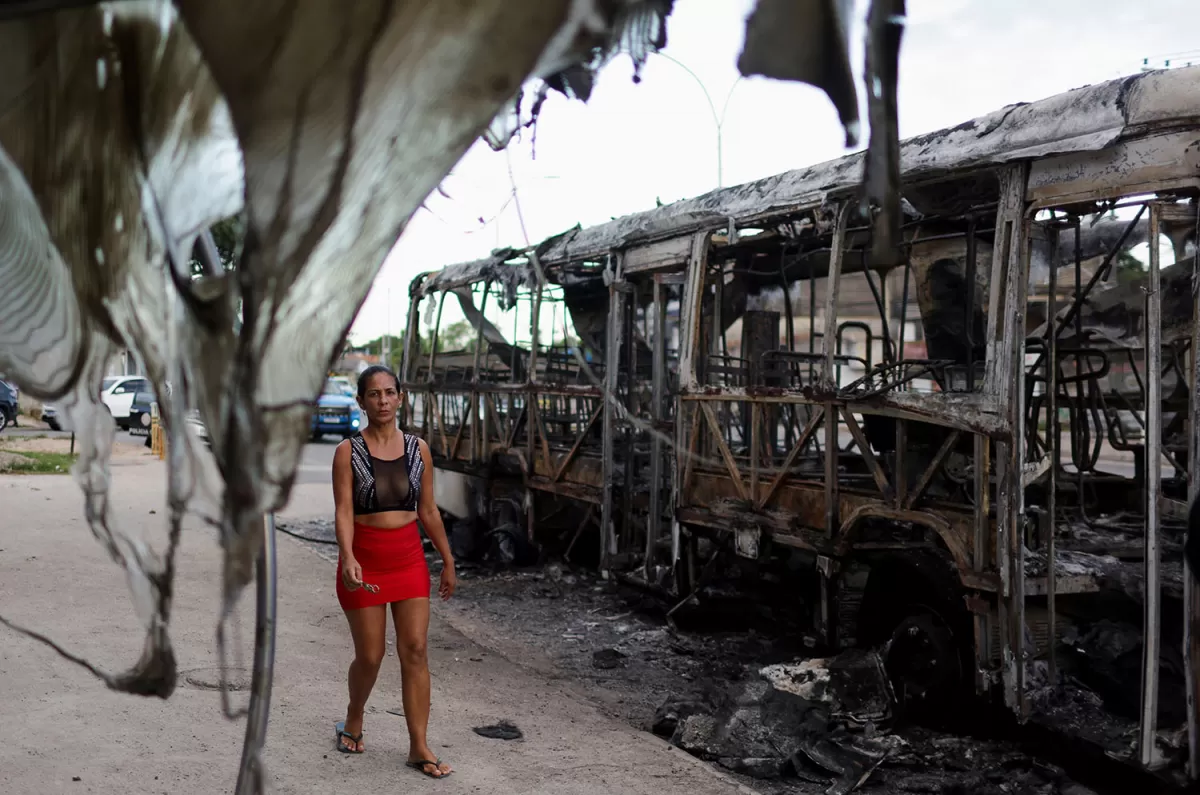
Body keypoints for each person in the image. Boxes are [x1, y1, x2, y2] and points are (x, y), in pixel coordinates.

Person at [331, 364, 457, 779]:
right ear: (362, 401)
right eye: (373, 394)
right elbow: (345, 512)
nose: (382, 401)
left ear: (401, 398)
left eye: (389, 393)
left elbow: (428, 510)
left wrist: (448, 558)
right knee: (370, 655)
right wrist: (347, 555)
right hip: (364, 561)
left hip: (408, 560)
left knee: (415, 650)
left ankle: (418, 746)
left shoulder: (419, 449)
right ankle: (353, 716)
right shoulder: (348, 452)